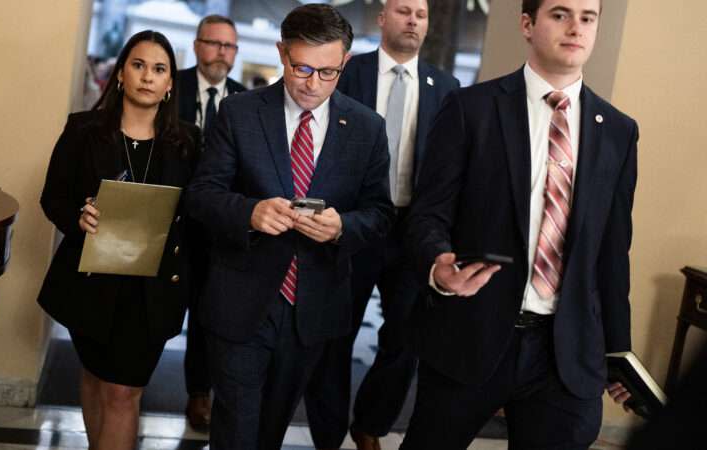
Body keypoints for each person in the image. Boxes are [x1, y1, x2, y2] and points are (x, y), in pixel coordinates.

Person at [401, 0, 638, 448]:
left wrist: (618, 353)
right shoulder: (470, 108)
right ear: (527, 24)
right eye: (560, 14)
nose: (576, 27)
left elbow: (612, 252)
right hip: (473, 334)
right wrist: (439, 265)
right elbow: (428, 214)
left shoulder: (619, 131)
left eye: (588, 18)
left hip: (565, 351)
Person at [186, 4, 394, 449]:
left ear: (345, 64)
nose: (313, 84)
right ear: (282, 53)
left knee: (270, 430)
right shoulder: (240, 113)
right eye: (302, 68)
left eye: (328, 72)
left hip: (313, 307)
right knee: (237, 428)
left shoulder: (366, 128)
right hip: (243, 300)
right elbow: (201, 195)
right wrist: (250, 213)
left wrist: (342, 226)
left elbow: (380, 214)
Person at [303, 1, 458, 448]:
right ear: (382, 18)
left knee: (406, 339)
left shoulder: (445, 86)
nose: (413, 21)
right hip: (350, 223)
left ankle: (370, 423)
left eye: (421, 14)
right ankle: (327, 433)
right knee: (335, 334)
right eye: (404, 10)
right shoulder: (348, 72)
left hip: (412, 231)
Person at [37, 30, 201, 450]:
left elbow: (199, 214)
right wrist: (78, 217)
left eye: (159, 69)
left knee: (124, 392)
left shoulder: (188, 142)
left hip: (153, 290)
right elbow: (53, 196)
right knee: (93, 378)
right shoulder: (83, 130)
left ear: (169, 85)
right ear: (121, 74)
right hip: (91, 282)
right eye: (139, 65)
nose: (148, 76)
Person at [175, 13, 246, 430]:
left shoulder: (244, 101)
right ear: (198, 45)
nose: (222, 52)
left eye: (229, 46)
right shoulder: (172, 86)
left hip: (218, 227)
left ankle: (199, 393)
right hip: (170, 219)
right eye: (215, 43)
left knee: (207, 313)